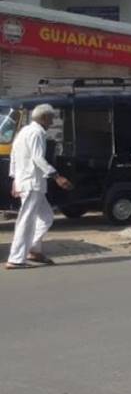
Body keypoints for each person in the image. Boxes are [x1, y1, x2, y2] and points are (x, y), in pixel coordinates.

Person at [6, 104, 73, 270]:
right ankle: (16, 259)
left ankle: (34, 250)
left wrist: (15, 179)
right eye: (51, 118)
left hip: (27, 182)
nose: (52, 121)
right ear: (44, 118)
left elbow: (14, 155)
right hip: (31, 183)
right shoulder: (37, 133)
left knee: (46, 217)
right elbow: (37, 158)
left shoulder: (24, 131)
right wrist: (57, 176)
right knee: (26, 221)